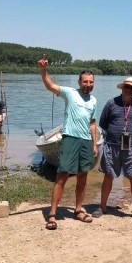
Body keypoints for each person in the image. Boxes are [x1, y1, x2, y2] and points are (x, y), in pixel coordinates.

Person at [37, 54, 98, 230]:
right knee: (62, 175)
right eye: (85, 81)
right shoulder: (70, 93)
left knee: (83, 177)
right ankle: (52, 214)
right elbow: (50, 85)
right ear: (79, 82)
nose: (88, 84)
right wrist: (43, 70)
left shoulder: (93, 100)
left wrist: (94, 144)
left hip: (86, 141)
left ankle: (78, 210)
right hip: (70, 138)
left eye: (91, 82)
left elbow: (92, 123)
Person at [95, 77, 132, 220]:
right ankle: (102, 206)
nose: (129, 90)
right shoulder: (111, 103)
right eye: (127, 87)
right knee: (108, 176)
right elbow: (102, 123)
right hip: (112, 146)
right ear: (122, 87)